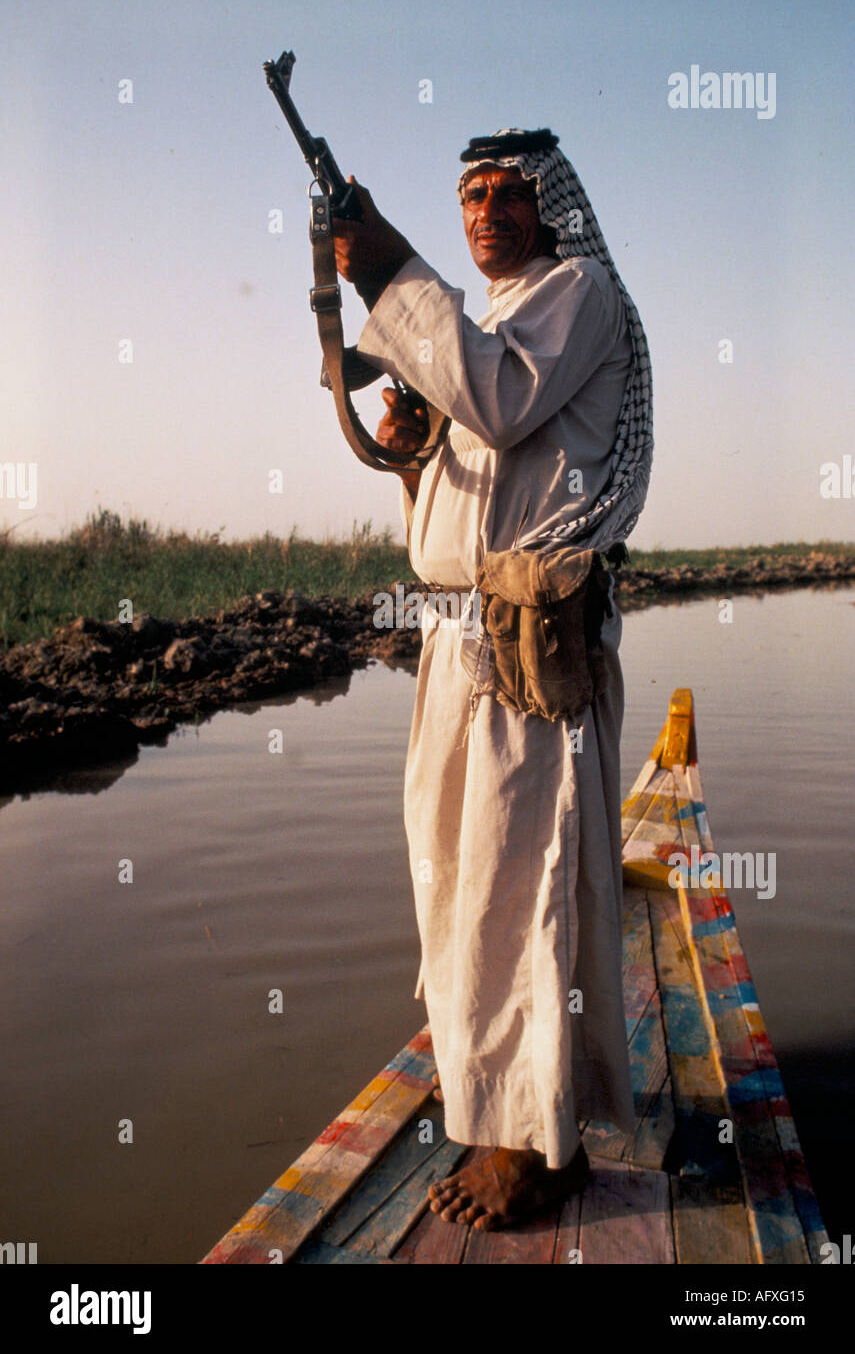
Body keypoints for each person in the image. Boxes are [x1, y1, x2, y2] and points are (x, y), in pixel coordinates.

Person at [331, 129, 653, 1232]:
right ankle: (494, 1105)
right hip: (459, 649)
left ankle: (535, 1144)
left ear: (549, 205)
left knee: (521, 899)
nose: (485, 212)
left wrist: (385, 267)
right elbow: (468, 462)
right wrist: (411, 438)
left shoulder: (577, 293)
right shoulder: (488, 328)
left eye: (508, 194)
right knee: (457, 891)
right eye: (469, 195)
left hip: (529, 659)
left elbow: (503, 404)